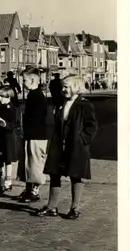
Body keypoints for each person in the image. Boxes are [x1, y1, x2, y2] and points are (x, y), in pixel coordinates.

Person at [35, 75, 98, 219]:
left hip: (76, 147)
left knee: (76, 176)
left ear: (76, 87)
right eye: (63, 87)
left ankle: (75, 208)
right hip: (59, 145)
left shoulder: (84, 104)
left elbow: (92, 126)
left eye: (66, 87)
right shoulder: (62, 103)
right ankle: (52, 207)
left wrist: (82, 139)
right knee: (54, 173)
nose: (63, 90)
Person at [16, 67, 49, 203]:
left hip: (36, 135)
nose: (23, 83)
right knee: (29, 163)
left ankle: (34, 191)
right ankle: (30, 189)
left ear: (33, 79)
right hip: (32, 134)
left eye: (24, 80)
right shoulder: (33, 95)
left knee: (35, 163)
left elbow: (36, 118)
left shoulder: (37, 97)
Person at [0, 86, 19, 195]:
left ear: (8, 96)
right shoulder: (2, 106)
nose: (0, 98)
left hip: (8, 137)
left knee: (8, 159)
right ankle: (0, 181)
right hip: (0, 136)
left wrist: (6, 125)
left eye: (2, 96)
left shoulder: (11, 108)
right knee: (0, 158)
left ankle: (8, 181)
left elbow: (14, 123)